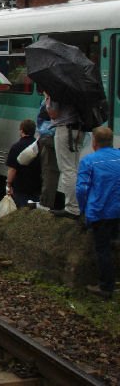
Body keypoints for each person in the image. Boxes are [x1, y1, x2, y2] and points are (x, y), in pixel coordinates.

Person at [76, 126, 120, 299]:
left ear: (94, 142)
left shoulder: (89, 161)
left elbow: (82, 189)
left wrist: (83, 209)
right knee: (115, 244)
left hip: (100, 212)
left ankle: (106, 287)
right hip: (118, 211)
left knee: (103, 250)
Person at [45, 91, 84, 218]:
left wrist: (47, 99)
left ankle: (72, 208)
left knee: (67, 169)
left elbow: (53, 113)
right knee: (75, 168)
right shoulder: (75, 84)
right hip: (79, 129)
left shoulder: (56, 87)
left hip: (64, 128)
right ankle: (78, 205)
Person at [5, 119, 42, 208]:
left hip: (20, 185)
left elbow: (12, 169)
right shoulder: (39, 146)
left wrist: (8, 184)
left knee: (21, 209)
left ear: (21, 130)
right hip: (36, 184)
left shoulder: (16, 147)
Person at [36, 95, 60, 209]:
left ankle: (45, 203)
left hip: (50, 136)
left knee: (49, 170)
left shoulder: (52, 98)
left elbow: (46, 116)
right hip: (69, 137)